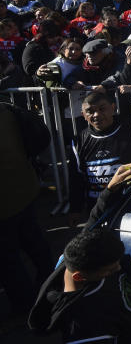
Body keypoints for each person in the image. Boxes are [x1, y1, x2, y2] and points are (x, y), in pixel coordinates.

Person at [29, 167, 131, 343]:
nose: (118, 268)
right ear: (79, 276)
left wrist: (109, 190)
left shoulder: (76, 258)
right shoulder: (84, 324)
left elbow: (93, 222)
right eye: (109, 270)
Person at [67, 91, 131, 215]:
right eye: (90, 111)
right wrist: (75, 209)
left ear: (113, 108)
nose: (96, 115)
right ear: (83, 115)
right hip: (98, 209)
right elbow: (76, 178)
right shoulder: (78, 141)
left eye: (102, 109)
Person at [0, 101, 53, 319]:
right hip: (25, 188)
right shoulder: (5, 109)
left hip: (5, 202)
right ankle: (51, 285)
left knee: (8, 261)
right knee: (34, 243)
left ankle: (26, 308)